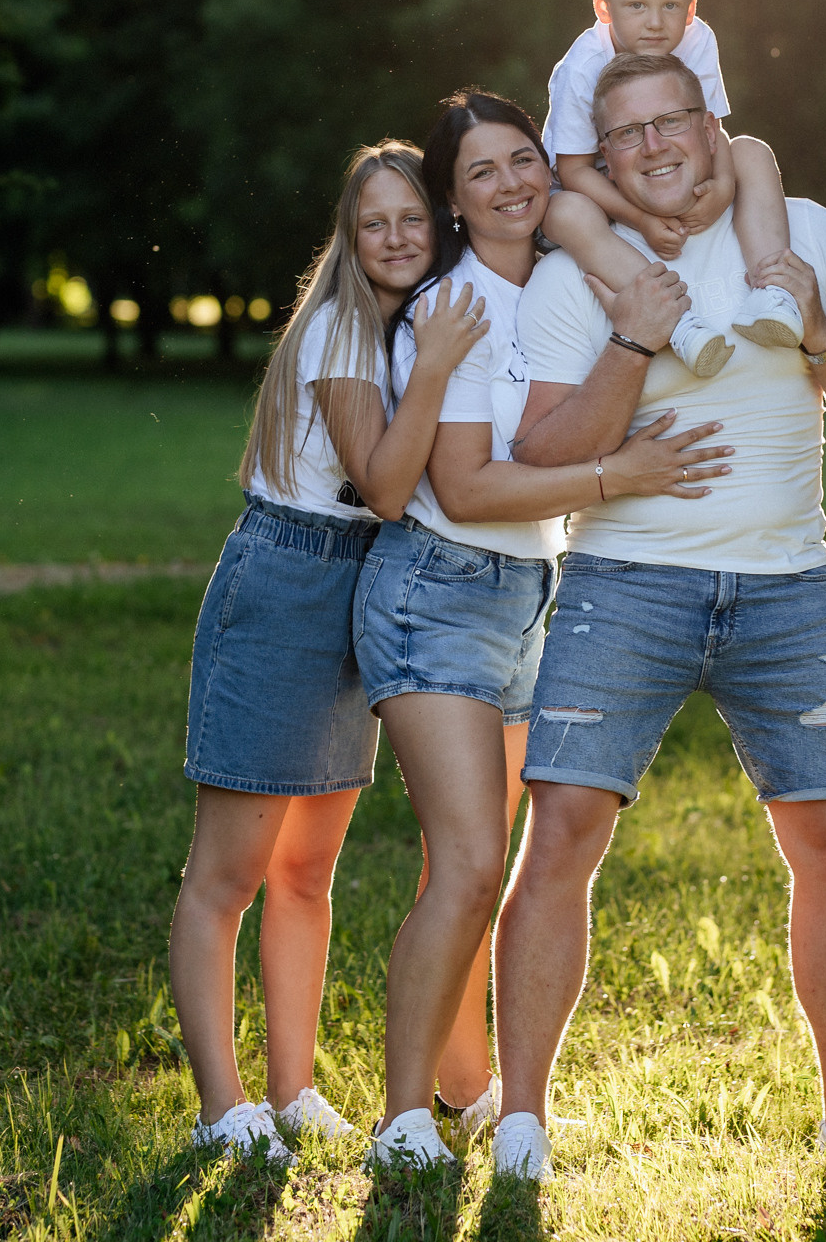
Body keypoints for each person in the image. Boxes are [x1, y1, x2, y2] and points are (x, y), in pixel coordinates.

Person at [488, 52, 826, 1183]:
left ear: (712, 125)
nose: (657, 145)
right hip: (623, 584)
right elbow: (540, 451)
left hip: (786, 585)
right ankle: (521, 1124)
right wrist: (635, 341)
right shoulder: (576, 275)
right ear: (604, 161)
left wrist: (815, 330)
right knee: (559, 834)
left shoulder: (800, 233)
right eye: (630, 135)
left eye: (676, 120)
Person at [351, 87, 738, 1170]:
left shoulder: (565, 280)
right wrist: (621, 474)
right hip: (437, 588)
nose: (513, 182)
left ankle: (465, 1090)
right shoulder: (459, 309)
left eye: (523, 158)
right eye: (482, 173)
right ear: (455, 203)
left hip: (531, 593)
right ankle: (399, 1121)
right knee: (472, 863)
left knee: (479, 863)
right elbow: (467, 489)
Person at [168, 141, 490, 1163]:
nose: (397, 238)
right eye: (374, 223)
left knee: (309, 871)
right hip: (287, 581)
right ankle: (225, 1106)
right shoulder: (349, 331)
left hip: (364, 583)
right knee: (227, 874)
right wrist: (437, 367)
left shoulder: (402, 322)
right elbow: (388, 487)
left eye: (412, 219)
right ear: (350, 242)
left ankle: (293, 1089)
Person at [537, 0, 806, 378]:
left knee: (751, 150)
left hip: (669, 169)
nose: (656, 24)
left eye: (671, 6)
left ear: (692, 6)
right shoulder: (584, 67)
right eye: (637, 6)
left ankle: (773, 295)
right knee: (563, 212)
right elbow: (574, 169)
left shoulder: (697, 39)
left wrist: (722, 184)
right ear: (604, 8)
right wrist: (640, 218)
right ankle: (680, 324)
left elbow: (709, 130)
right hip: (597, 185)